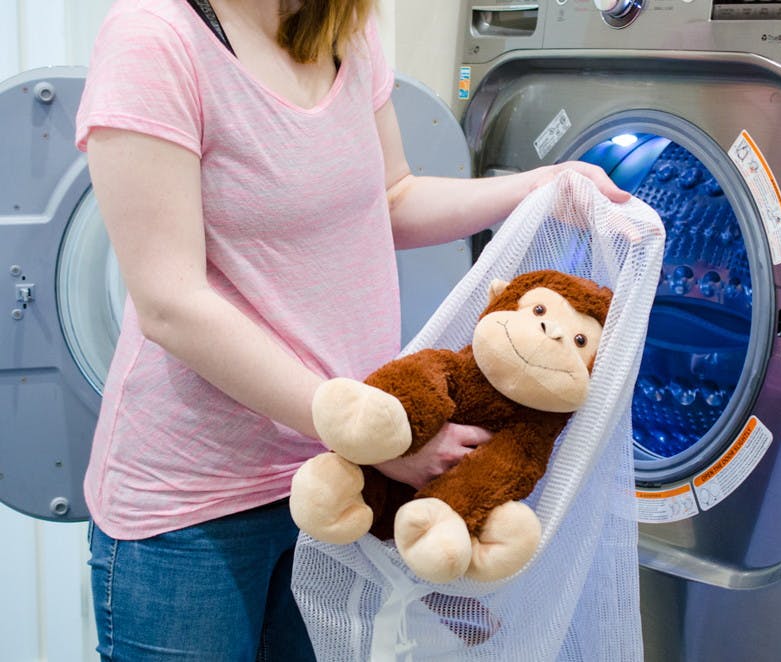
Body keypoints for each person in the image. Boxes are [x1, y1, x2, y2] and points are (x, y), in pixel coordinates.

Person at [75, 0, 628, 659]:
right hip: (196, 508)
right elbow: (171, 302)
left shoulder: (343, 28)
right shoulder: (156, 39)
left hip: (340, 486)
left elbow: (391, 199)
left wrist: (542, 187)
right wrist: (369, 437)